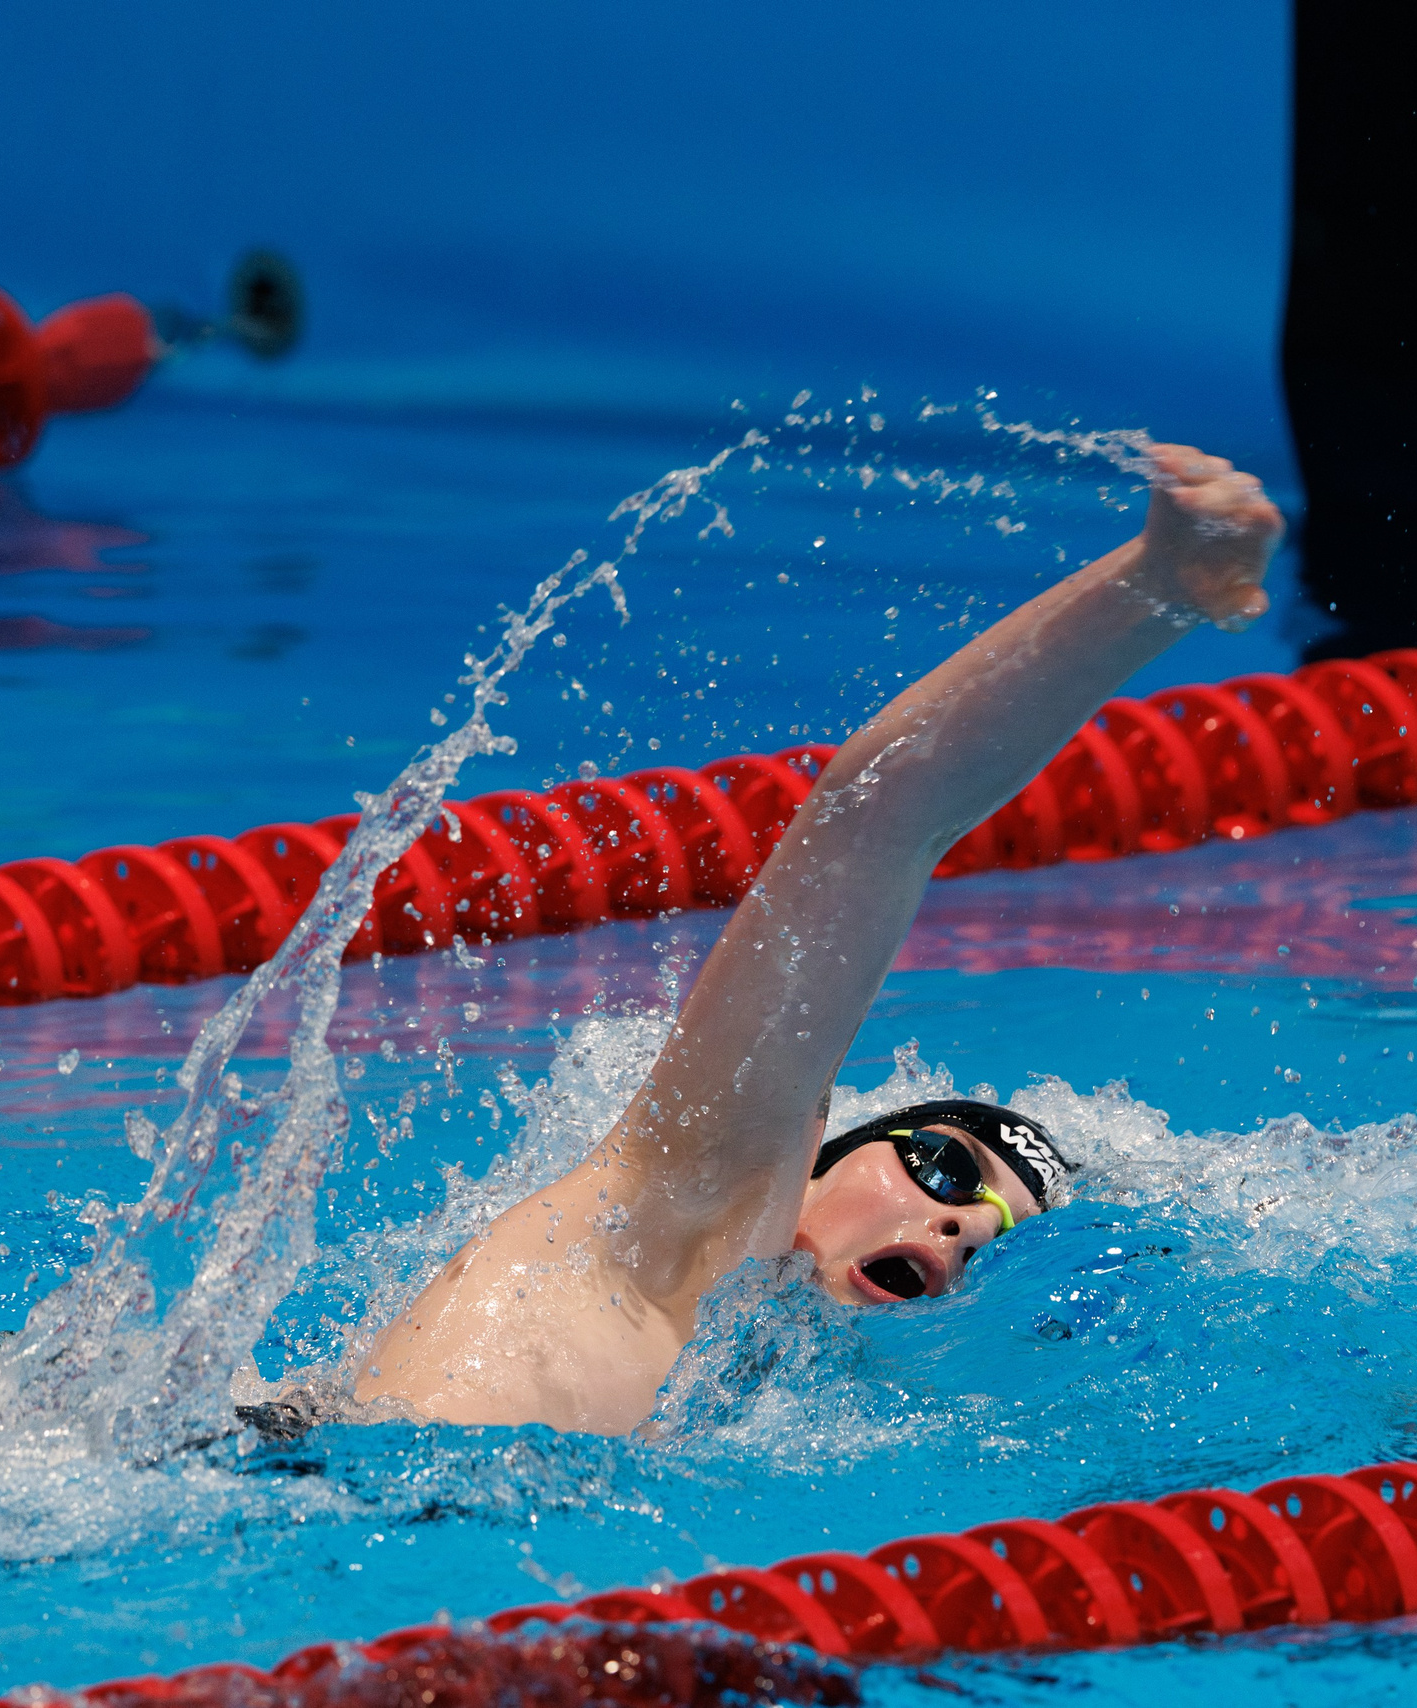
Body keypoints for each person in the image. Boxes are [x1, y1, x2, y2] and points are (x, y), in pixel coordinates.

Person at [351, 443, 1282, 1435]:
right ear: (819, 1146)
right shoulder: (666, 1230)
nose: (964, 1224)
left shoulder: (742, 1407)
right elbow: (880, 810)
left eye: (1000, 1243)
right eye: (944, 1167)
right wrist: (1153, 586)